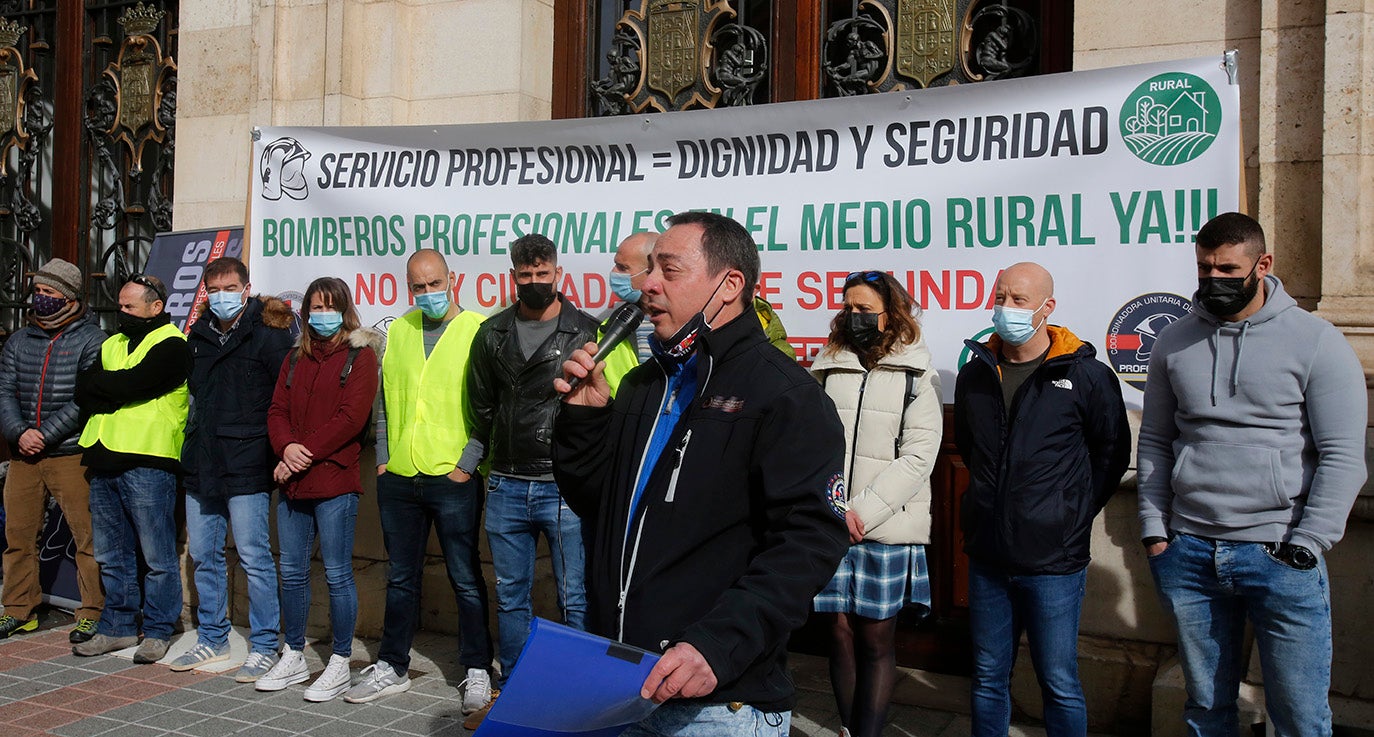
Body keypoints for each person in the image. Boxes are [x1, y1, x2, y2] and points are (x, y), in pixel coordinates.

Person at [553, 211, 849, 736]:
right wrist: (583, 418)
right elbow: (599, 503)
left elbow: (808, 544)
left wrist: (716, 644)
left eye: (669, 270)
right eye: (649, 271)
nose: (647, 284)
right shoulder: (644, 384)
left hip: (715, 705)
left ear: (729, 284)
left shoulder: (783, 394)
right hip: (620, 680)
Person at [1137, 212, 1367, 737]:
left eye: (1227, 269)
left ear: (1262, 265)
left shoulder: (1316, 342)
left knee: (1301, 720)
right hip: (1189, 552)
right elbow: (1154, 440)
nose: (1213, 281)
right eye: (1203, 269)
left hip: (1280, 553)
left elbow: (1343, 455)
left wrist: (1309, 542)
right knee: (1205, 712)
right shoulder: (1173, 342)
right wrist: (1155, 529)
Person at [953, 262, 1130, 737]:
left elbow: (1110, 453)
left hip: (1053, 559)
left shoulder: (1087, 375)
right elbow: (970, 448)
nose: (1005, 308)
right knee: (989, 679)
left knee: (1059, 682)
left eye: (1019, 300)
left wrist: (1069, 514)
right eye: (1000, 296)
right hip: (988, 555)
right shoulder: (975, 374)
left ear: (1047, 308)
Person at [464, 234, 637, 707]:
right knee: (512, 594)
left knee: (575, 595)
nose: (535, 282)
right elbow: (479, 403)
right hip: (505, 481)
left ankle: (581, 689)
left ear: (558, 273)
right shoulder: (492, 332)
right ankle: (516, 686)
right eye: (526, 276)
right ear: (513, 277)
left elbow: (606, 404)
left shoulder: (587, 331)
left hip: (563, 485)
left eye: (544, 274)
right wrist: (492, 459)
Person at [346, 250, 494, 713]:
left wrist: (468, 464)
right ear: (407, 287)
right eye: (418, 286)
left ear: (453, 280)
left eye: (435, 283)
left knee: (465, 577)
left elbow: (489, 406)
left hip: (453, 475)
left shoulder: (478, 329)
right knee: (402, 577)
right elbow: (388, 400)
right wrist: (385, 460)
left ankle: (476, 669)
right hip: (401, 477)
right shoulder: (402, 331)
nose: (427, 293)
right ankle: (392, 665)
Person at [810, 270, 942, 737]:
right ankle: (848, 730)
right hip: (830, 522)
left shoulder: (916, 372)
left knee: (875, 639)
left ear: (891, 314)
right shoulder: (827, 364)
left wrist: (860, 512)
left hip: (883, 526)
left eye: (865, 309)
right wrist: (829, 509)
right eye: (848, 307)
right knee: (839, 635)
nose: (854, 317)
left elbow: (919, 455)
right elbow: (809, 443)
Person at [172, 257, 294, 681]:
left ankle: (264, 645)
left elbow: (284, 399)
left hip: (247, 462)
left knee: (254, 557)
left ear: (246, 288)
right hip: (202, 464)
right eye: (214, 289)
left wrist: (279, 453)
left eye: (230, 287)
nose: (222, 295)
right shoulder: (199, 335)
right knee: (204, 556)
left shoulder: (270, 334)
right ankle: (212, 637)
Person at [260, 277, 380, 702]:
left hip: (334, 480)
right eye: (315, 306)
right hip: (293, 483)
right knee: (290, 571)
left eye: (330, 307)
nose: (322, 314)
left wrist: (303, 451)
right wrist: (286, 447)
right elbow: (276, 410)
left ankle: (339, 662)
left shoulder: (360, 356)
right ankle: (293, 653)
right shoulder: (295, 358)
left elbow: (352, 417)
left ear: (344, 310)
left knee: (336, 573)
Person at [72, 273, 191, 664]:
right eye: (119, 305)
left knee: (156, 556)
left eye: (129, 306)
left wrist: (108, 386)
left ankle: (158, 630)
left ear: (156, 307)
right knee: (111, 553)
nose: (121, 313)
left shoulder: (172, 344)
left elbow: (135, 384)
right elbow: (82, 389)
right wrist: (111, 386)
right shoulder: (112, 343)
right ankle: (118, 627)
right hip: (103, 456)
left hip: (147, 461)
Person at [0, 259, 106, 642]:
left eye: (50, 293)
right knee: (18, 536)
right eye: (39, 292)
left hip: (70, 453)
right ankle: (18, 609)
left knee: (87, 537)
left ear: (71, 297)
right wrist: (18, 432)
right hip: (23, 455)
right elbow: (5, 392)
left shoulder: (92, 339)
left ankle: (93, 611)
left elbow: (86, 398)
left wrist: (44, 434)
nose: (41, 299)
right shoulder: (19, 339)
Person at [608, 231, 657, 362]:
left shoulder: (688, 323)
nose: (613, 272)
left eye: (622, 268)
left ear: (652, 270)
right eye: (615, 264)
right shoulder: (610, 324)